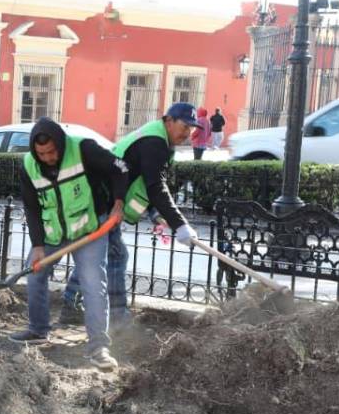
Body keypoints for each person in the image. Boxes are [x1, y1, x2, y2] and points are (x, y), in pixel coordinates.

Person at [65, 103, 202, 329]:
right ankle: (118, 317)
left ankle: (70, 305)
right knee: (116, 256)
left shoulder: (159, 139)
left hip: (105, 199)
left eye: (192, 129)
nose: (188, 133)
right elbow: (155, 185)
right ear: (169, 120)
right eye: (185, 126)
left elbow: (141, 180)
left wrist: (155, 213)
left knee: (97, 254)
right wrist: (181, 224)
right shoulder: (155, 143)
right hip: (102, 200)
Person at [11, 118, 127, 370]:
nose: (48, 158)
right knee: (35, 274)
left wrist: (118, 202)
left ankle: (98, 347)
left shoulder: (83, 149)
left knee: (93, 283)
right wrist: (38, 245)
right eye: (41, 153)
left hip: (90, 228)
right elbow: (31, 207)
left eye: (52, 151)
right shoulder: (29, 165)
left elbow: (119, 168)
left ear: (61, 144)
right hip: (54, 233)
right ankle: (38, 329)